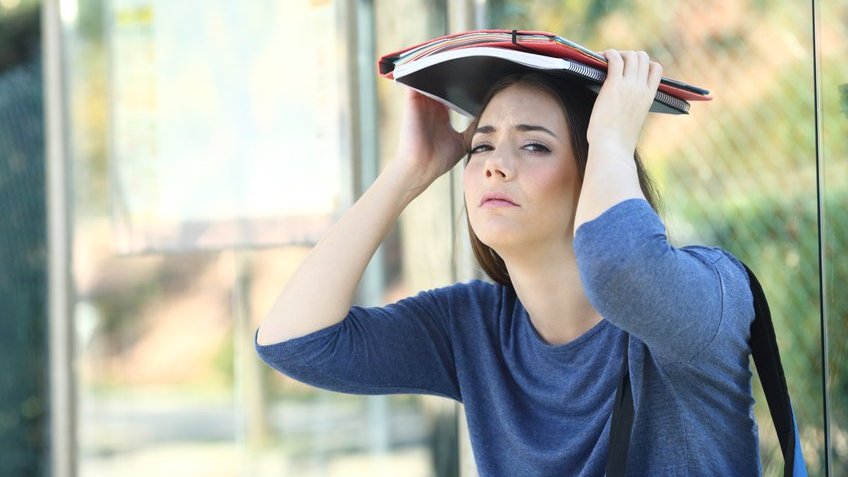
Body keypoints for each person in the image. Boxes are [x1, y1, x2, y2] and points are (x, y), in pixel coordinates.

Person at [256, 50, 760, 476]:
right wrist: (408, 172)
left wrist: (611, 142)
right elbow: (295, 343)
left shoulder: (706, 295)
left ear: (595, 171)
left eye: (535, 145)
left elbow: (620, 264)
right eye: (482, 145)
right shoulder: (474, 326)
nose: (495, 163)